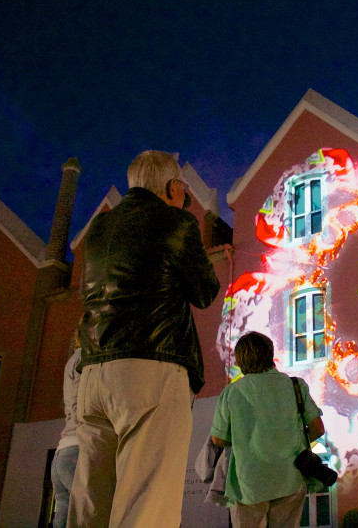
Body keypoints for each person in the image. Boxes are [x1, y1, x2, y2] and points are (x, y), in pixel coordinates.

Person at [69, 150, 221, 528]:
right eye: (183, 191)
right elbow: (205, 291)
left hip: (93, 373)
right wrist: (183, 217)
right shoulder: (176, 222)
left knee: (90, 503)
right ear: (172, 188)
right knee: (146, 504)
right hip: (151, 369)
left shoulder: (99, 230)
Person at [210, 331, 327, 528]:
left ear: (240, 361)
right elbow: (317, 428)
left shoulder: (232, 392)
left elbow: (218, 440)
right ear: (270, 354)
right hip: (291, 477)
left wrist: (243, 439)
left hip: (248, 482)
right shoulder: (295, 385)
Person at [50, 335, 81, 528]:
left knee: (63, 511)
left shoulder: (71, 361)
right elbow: (82, 403)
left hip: (62, 452)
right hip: (78, 449)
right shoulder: (85, 359)